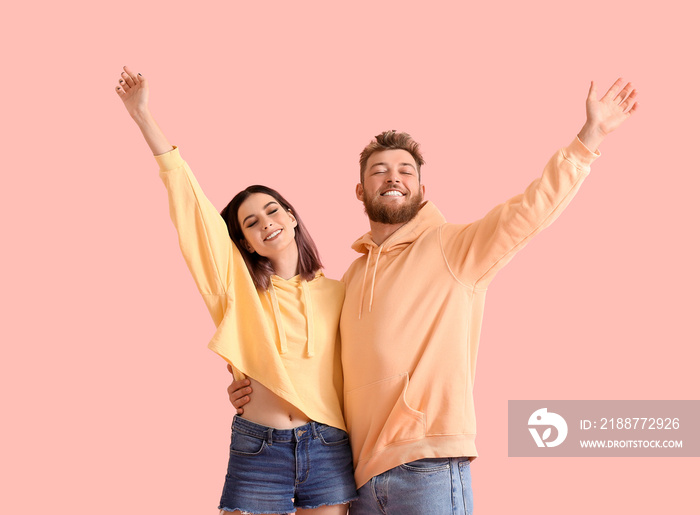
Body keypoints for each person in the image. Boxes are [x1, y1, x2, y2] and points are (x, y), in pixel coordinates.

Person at [229, 78, 639, 514]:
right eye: (379, 171)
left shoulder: (455, 248)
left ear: (422, 189)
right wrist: (257, 388)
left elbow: (530, 210)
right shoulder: (348, 278)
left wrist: (588, 139)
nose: (393, 178)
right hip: (360, 476)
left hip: (429, 469)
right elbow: (317, 363)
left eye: (406, 171)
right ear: (360, 191)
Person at [115, 65, 358, 515]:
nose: (266, 223)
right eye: (251, 222)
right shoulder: (235, 286)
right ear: (243, 241)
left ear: (291, 215)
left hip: (328, 445)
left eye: (272, 211)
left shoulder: (343, 291)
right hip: (259, 447)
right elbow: (192, 212)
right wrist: (143, 117)